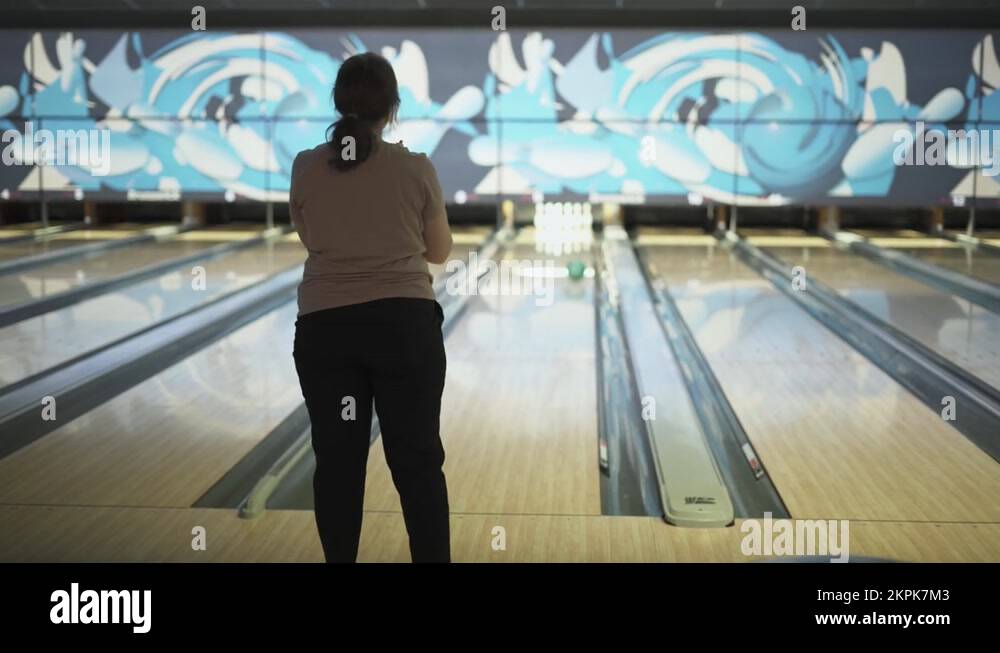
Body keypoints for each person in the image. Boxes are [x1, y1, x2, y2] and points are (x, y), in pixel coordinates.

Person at [289, 52, 453, 563]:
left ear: (338, 102)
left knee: (338, 464)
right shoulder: (415, 168)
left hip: (326, 332)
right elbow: (440, 252)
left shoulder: (305, 166)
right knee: (418, 462)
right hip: (404, 331)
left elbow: (309, 237)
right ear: (393, 107)